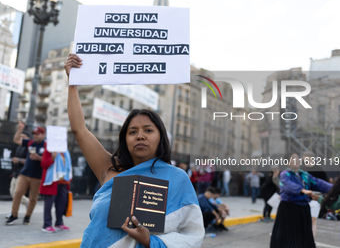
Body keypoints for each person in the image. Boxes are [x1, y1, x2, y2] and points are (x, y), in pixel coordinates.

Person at [64, 54, 204, 248]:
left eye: (148, 130)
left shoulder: (178, 178)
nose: (140, 136)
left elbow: (192, 234)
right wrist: (73, 82)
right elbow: (79, 129)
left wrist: (150, 241)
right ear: (125, 139)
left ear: (160, 137)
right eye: (132, 132)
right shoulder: (109, 169)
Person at [270, 152, 333, 248]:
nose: (297, 160)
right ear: (287, 162)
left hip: (303, 209)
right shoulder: (285, 174)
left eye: (297, 158)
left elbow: (319, 183)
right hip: (289, 209)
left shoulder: (305, 175)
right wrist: (302, 190)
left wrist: (335, 189)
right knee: (288, 238)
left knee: (304, 238)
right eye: (293, 158)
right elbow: (288, 186)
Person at [6, 122, 46, 225]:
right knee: (17, 193)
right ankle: (14, 215)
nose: (35, 136)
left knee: (33, 198)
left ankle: (28, 216)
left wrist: (39, 158)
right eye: (34, 134)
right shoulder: (30, 143)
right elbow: (16, 140)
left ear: (43, 134)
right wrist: (20, 129)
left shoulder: (46, 145)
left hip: (37, 176)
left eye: (38, 134)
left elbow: (50, 160)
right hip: (24, 173)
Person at [40, 149, 73, 233]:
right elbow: (44, 164)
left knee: (62, 203)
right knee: (49, 204)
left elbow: (68, 166)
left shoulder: (66, 151)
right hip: (52, 181)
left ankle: (59, 222)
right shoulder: (49, 150)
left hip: (64, 181)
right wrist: (52, 157)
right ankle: (47, 224)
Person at [301, 151, 327, 238]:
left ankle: (311, 241)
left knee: (313, 219)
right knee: (302, 220)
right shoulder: (300, 169)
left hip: (315, 197)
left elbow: (325, 184)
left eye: (306, 157)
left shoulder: (319, 170)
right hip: (302, 197)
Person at [6, 131, 30, 219]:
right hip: (16, 172)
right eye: (21, 136)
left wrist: (19, 160)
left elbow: (30, 161)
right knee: (12, 192)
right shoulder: (19, 146)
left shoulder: (29, 147)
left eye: (24, 136)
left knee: (17, 193)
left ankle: (14, 212)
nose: (22, 138)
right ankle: (27, 203)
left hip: (23, 173)